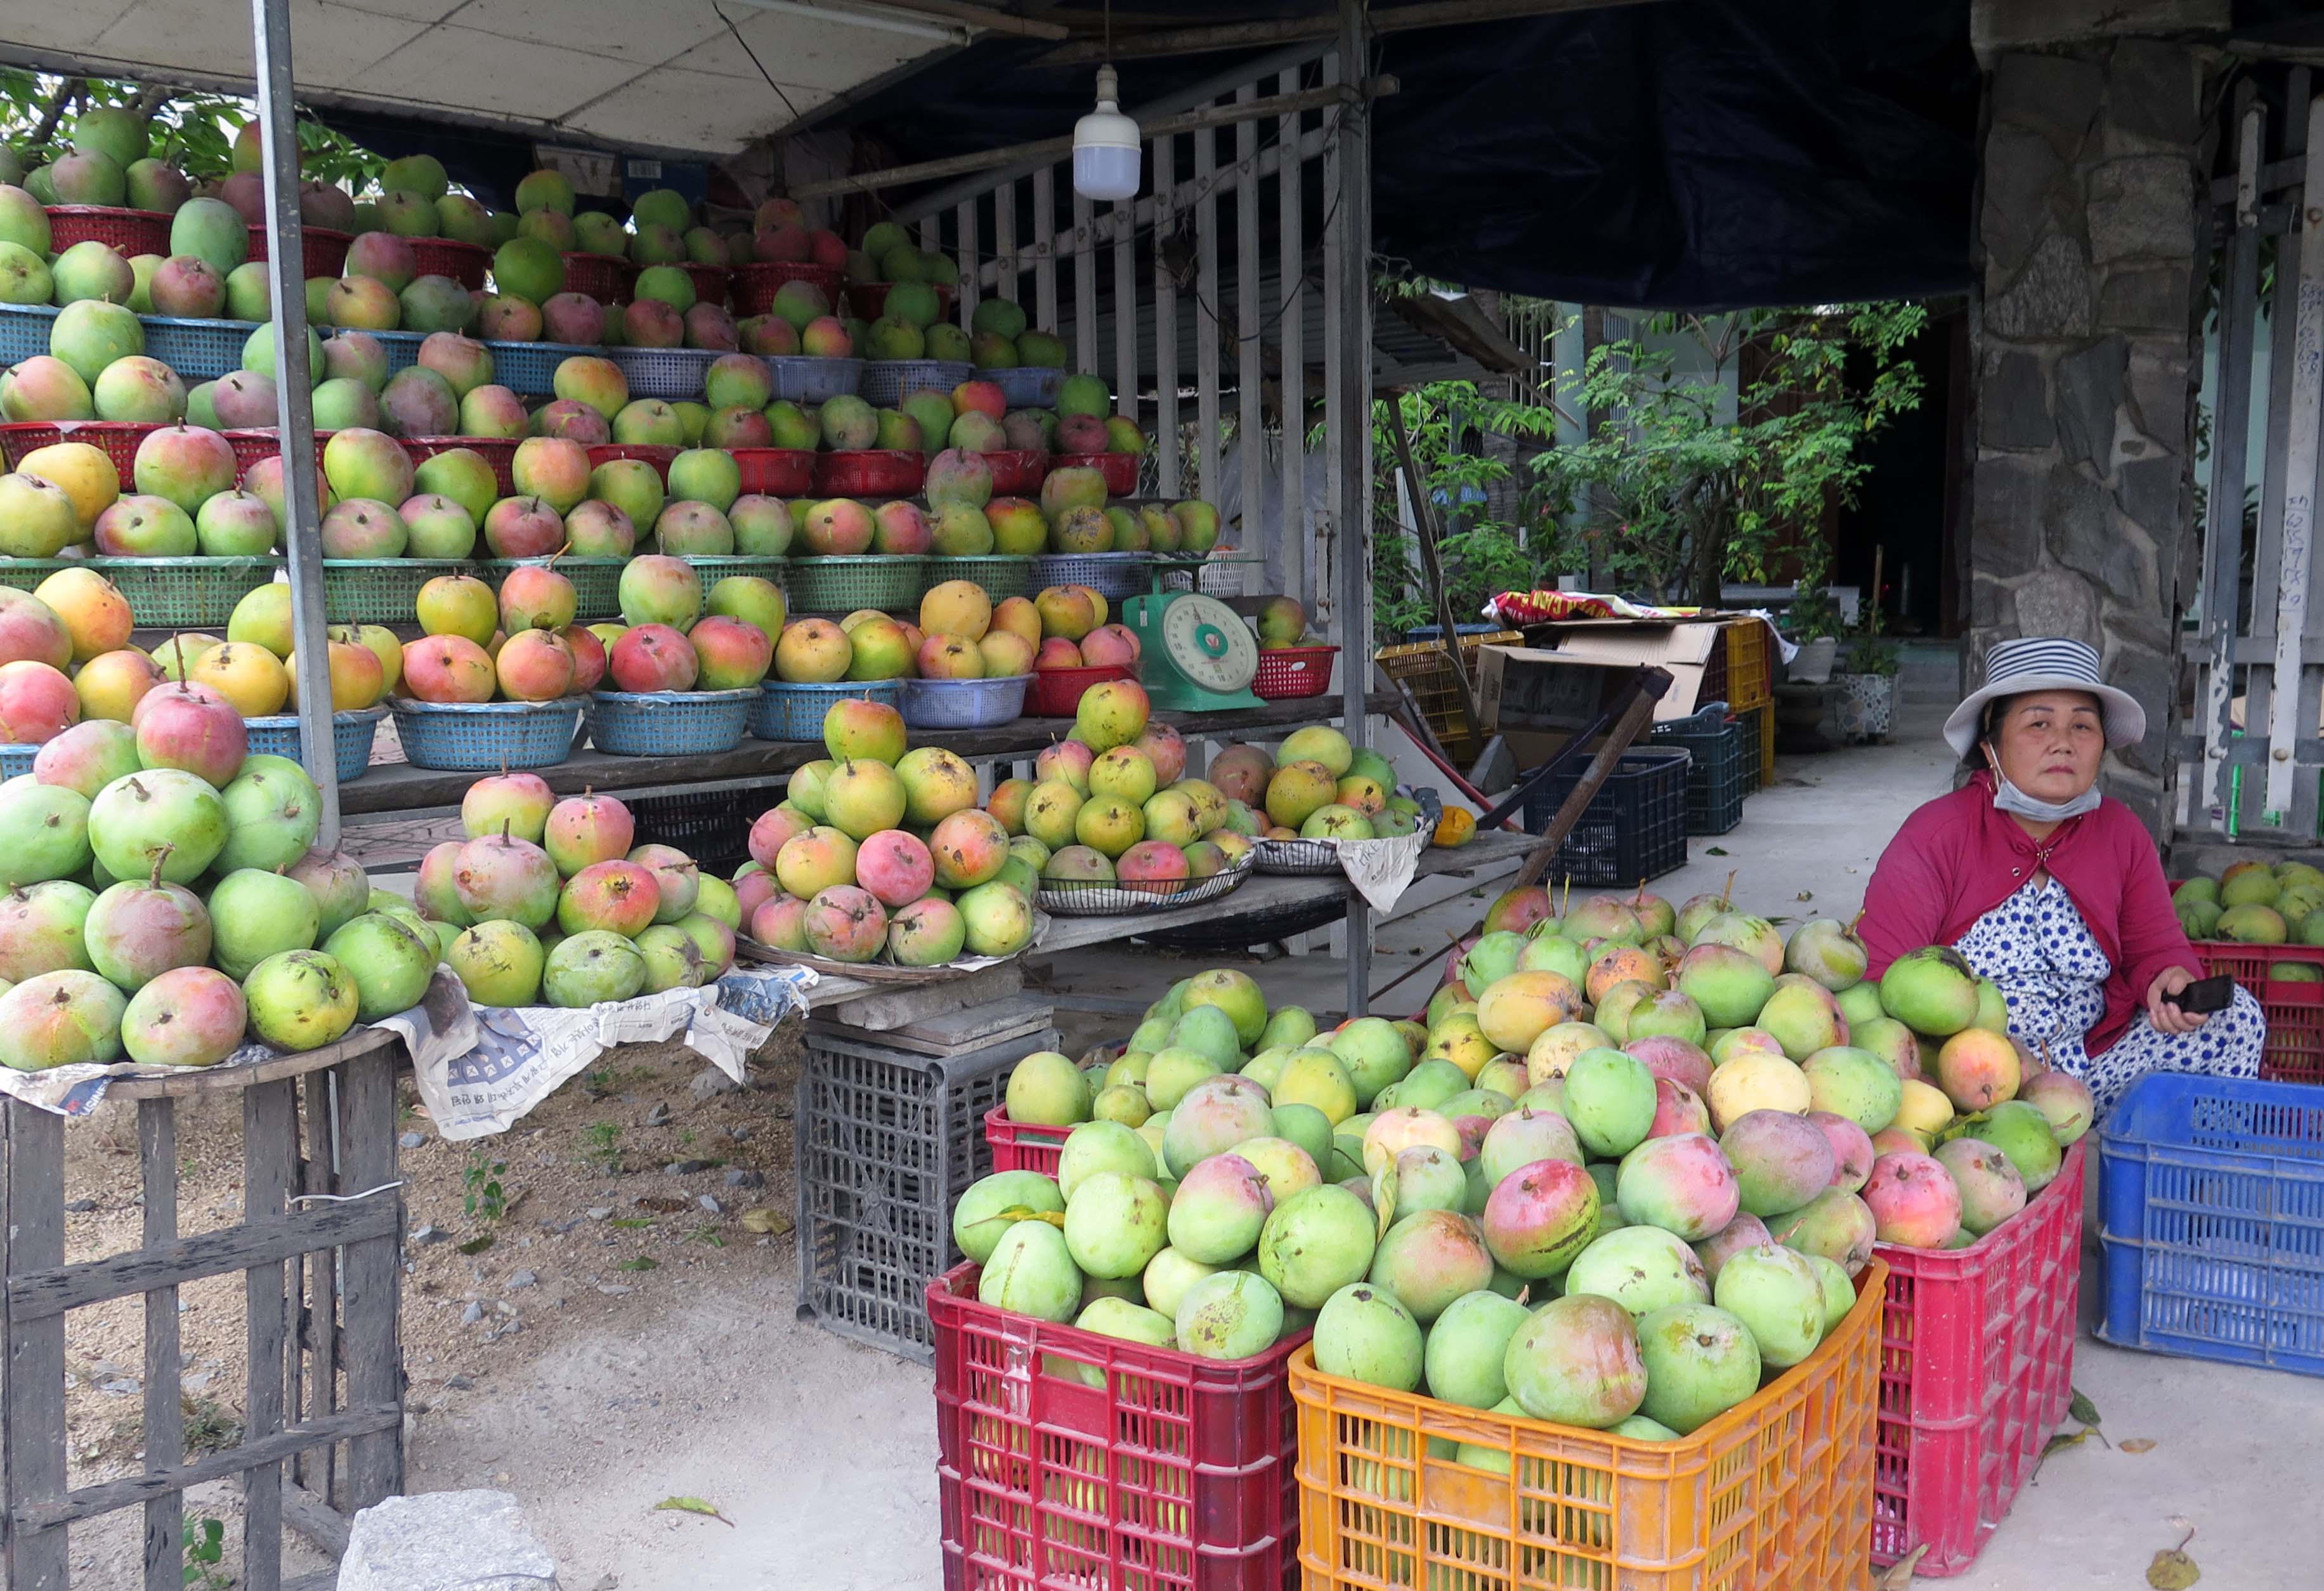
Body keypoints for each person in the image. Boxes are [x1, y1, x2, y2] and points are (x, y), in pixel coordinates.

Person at [1858, 637, 2264, 1118]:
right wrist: (1980, 1053)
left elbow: (2155, 945)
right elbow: (1879, 978)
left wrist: (2169, 977)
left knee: (2235, 1018)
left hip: (2095, 1064)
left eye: (2082, 726)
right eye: (2038, 724)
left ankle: (2171, 1176)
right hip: (1972, 1083)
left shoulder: (2120, 832)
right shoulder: (1938, 834)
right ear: (1991, 746)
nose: (2063, 742)